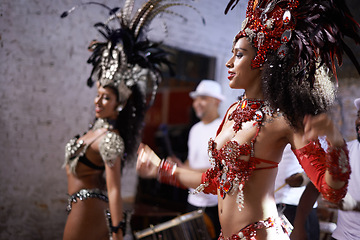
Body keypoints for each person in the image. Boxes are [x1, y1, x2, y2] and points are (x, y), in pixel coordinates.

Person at [136, 0, 360, 239]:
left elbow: (331, 191)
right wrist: (161, 169)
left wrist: (336, 142)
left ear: (262, 61)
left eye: (239, 54)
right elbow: (216, 180)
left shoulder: (284, 119)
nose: (229, 62)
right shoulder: (233, 111)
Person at [60, 1, 192, 239]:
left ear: (119, 104)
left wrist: (118, 230)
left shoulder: (110, 139)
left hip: (89, 213)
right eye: (98, 95)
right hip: (79, 209)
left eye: (106, 98)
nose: (98, 102)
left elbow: (114, 189)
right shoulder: (95, 131)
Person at [185, 79, 225, 239]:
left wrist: (181, 172)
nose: (197, 103)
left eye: (203, 98)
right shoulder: (195, 129)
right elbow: (191, 161)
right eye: (196, 99)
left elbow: (220, 170)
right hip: (192, 201)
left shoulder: (223, 128)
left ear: (217, 101)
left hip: (214, 205)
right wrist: (181, 167)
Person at [275, 145, 320, 240]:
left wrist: (304, 179)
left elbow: (323, 167)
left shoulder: (313, 133)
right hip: (270, 203)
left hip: (298, 206)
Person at [331, 98, 360, 240]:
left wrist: (355, 206)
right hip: (340, 236)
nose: (359, 121)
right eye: (359, 115)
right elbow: (312, 188)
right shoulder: (345, 150)